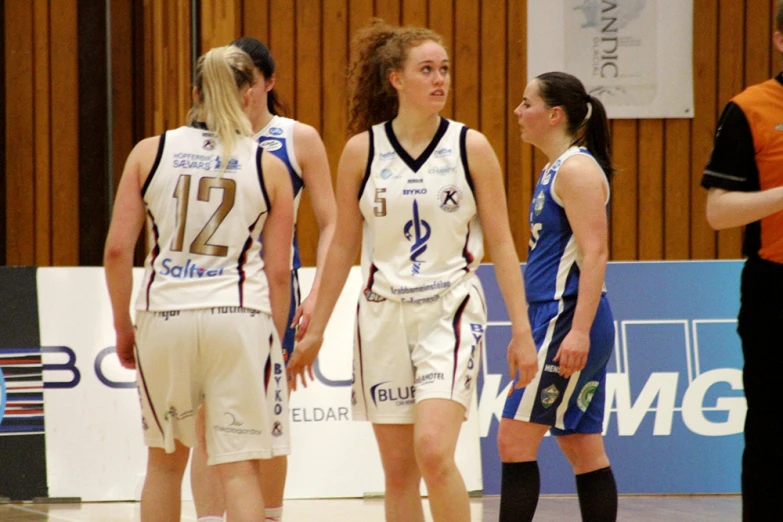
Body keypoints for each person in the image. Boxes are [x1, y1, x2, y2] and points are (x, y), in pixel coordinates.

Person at [286, 20, 537, 522]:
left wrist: (522, 330)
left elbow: (504, 243)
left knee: (434, 451)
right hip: (381, 318)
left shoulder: (472, 147)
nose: (440, 79)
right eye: (427, 70)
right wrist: (317, 328)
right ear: (396, 79)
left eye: (443, 69)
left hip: (450, 311)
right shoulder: (362, 151)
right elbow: (341, 249)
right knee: (399, 474)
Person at [103, 45, 294, 522]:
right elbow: (276, 271)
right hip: (238, 318)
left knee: (164, 467)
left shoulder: (150, 152)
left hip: (164, 314)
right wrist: (272, 335)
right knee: (239, 470)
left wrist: (123, 327)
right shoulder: (269, 165)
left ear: (194, 93)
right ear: (251, 93)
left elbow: (116, 251)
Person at [188, 37, 336, 522]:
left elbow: (332, 220)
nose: (238, 88)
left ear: (266, 84)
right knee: (207, 419)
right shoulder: (194, 140)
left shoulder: (296, 137)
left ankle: (266, 515)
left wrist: (316, 290)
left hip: (272, 288)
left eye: (245, 77)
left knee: (265, 418)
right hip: (205, 288)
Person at [497, 72, 618, 522]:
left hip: (567, 318)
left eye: (526, 103)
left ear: (554, 114)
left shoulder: (577, 169)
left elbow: (596, 252)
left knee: (513, 441)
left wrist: (580, 331)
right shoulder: (560, 167)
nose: (518, 112)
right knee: (582, 445)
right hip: (557, 317)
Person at [702, 3, 783, 519]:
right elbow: (717, 211)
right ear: (779, 40)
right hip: (775, 288)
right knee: (772, 428)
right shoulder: (750, 107)